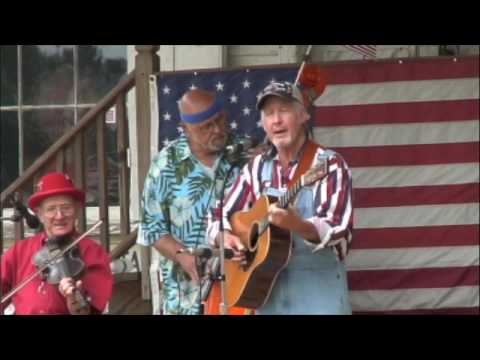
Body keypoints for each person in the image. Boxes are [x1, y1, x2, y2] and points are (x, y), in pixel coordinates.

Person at [207, 81, 354, 315]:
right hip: (268, 296)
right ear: (263, 123)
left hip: (319, 294)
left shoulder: (329, 164)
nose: (276, 120)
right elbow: (218, 214)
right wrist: (224, 236)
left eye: (284, 110)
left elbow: (339, 229)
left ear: (303, 115)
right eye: (269, 113)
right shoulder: (256, 167)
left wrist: (299, 225)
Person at [137, 88, 251, 315]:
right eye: (206, 126)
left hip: (242, 286)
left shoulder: (245, 153)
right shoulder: (166, 164)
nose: (218, 130)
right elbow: (152, 229)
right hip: (187, 294)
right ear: (185, 129)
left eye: (219, 120)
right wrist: (181, 254)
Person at [0, 172, 113, 315]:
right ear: (39, 214)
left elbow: (91, 310)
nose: (59, 216)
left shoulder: (92, 251)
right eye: (51, 209)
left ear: (76, 209)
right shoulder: (19, 251)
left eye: (66, 207)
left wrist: (73, 299)